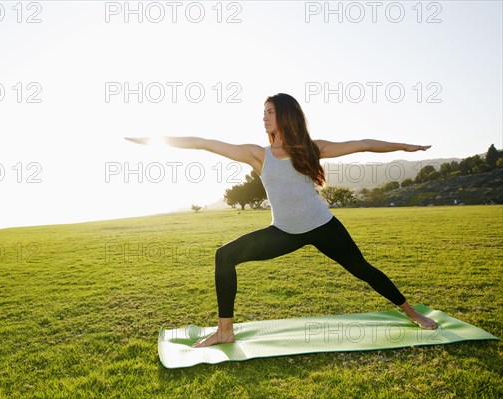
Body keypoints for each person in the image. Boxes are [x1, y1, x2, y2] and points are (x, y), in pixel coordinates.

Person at [126, 93, 438, 348]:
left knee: (363, 269)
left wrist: (405, 147)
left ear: (285, 115)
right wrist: (153, 140)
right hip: (285, 232)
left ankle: (411, 313)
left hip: (322, 226)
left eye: (270, 111)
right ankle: (225, 330)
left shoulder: (311, 149)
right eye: (263, 112)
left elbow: (365, 144)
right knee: (225, 255)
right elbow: (204, 143)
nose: (264, 117)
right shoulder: (257, 154)